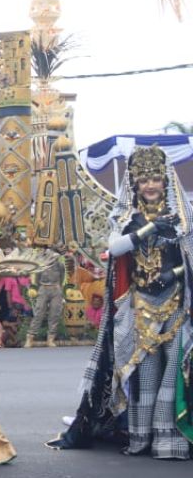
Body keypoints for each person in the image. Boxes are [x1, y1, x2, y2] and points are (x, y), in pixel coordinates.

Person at [52, 145, 193, 459]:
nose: (150, 185)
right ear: (134, 184)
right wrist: (149, 229)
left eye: (155, 178)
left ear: (166, 181)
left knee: (174, 370)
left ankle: (170, 441)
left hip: (176, 306)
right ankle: (141, 437)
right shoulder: (127, 217)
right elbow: (114, 249)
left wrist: (173, 273)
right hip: (140, 307)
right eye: (143, 180)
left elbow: (190, 260)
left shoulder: (184, 219)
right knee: (145, 372)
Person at [25, 254, 66, 347]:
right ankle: (30, 337)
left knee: (55, 314)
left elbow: (62, 278)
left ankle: (50, 338)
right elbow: (37, 279)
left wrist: (60, 289)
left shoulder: (60, 265)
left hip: (56, 288)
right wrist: (39, 288)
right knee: (39, 312)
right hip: (43, 288)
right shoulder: (41, 265)